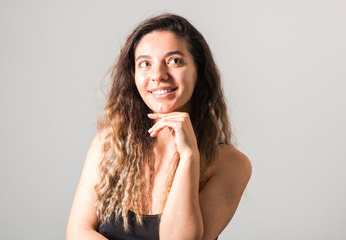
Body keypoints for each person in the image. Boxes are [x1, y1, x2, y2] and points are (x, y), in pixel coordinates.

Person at [66, 13, 252, 240]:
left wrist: (188, 157)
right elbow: (78, 232)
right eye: (145, 64)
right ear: (133, 76)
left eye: (174, 61)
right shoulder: (109, 142)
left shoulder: (231, 164)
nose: (158, 75)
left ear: (199, 71)